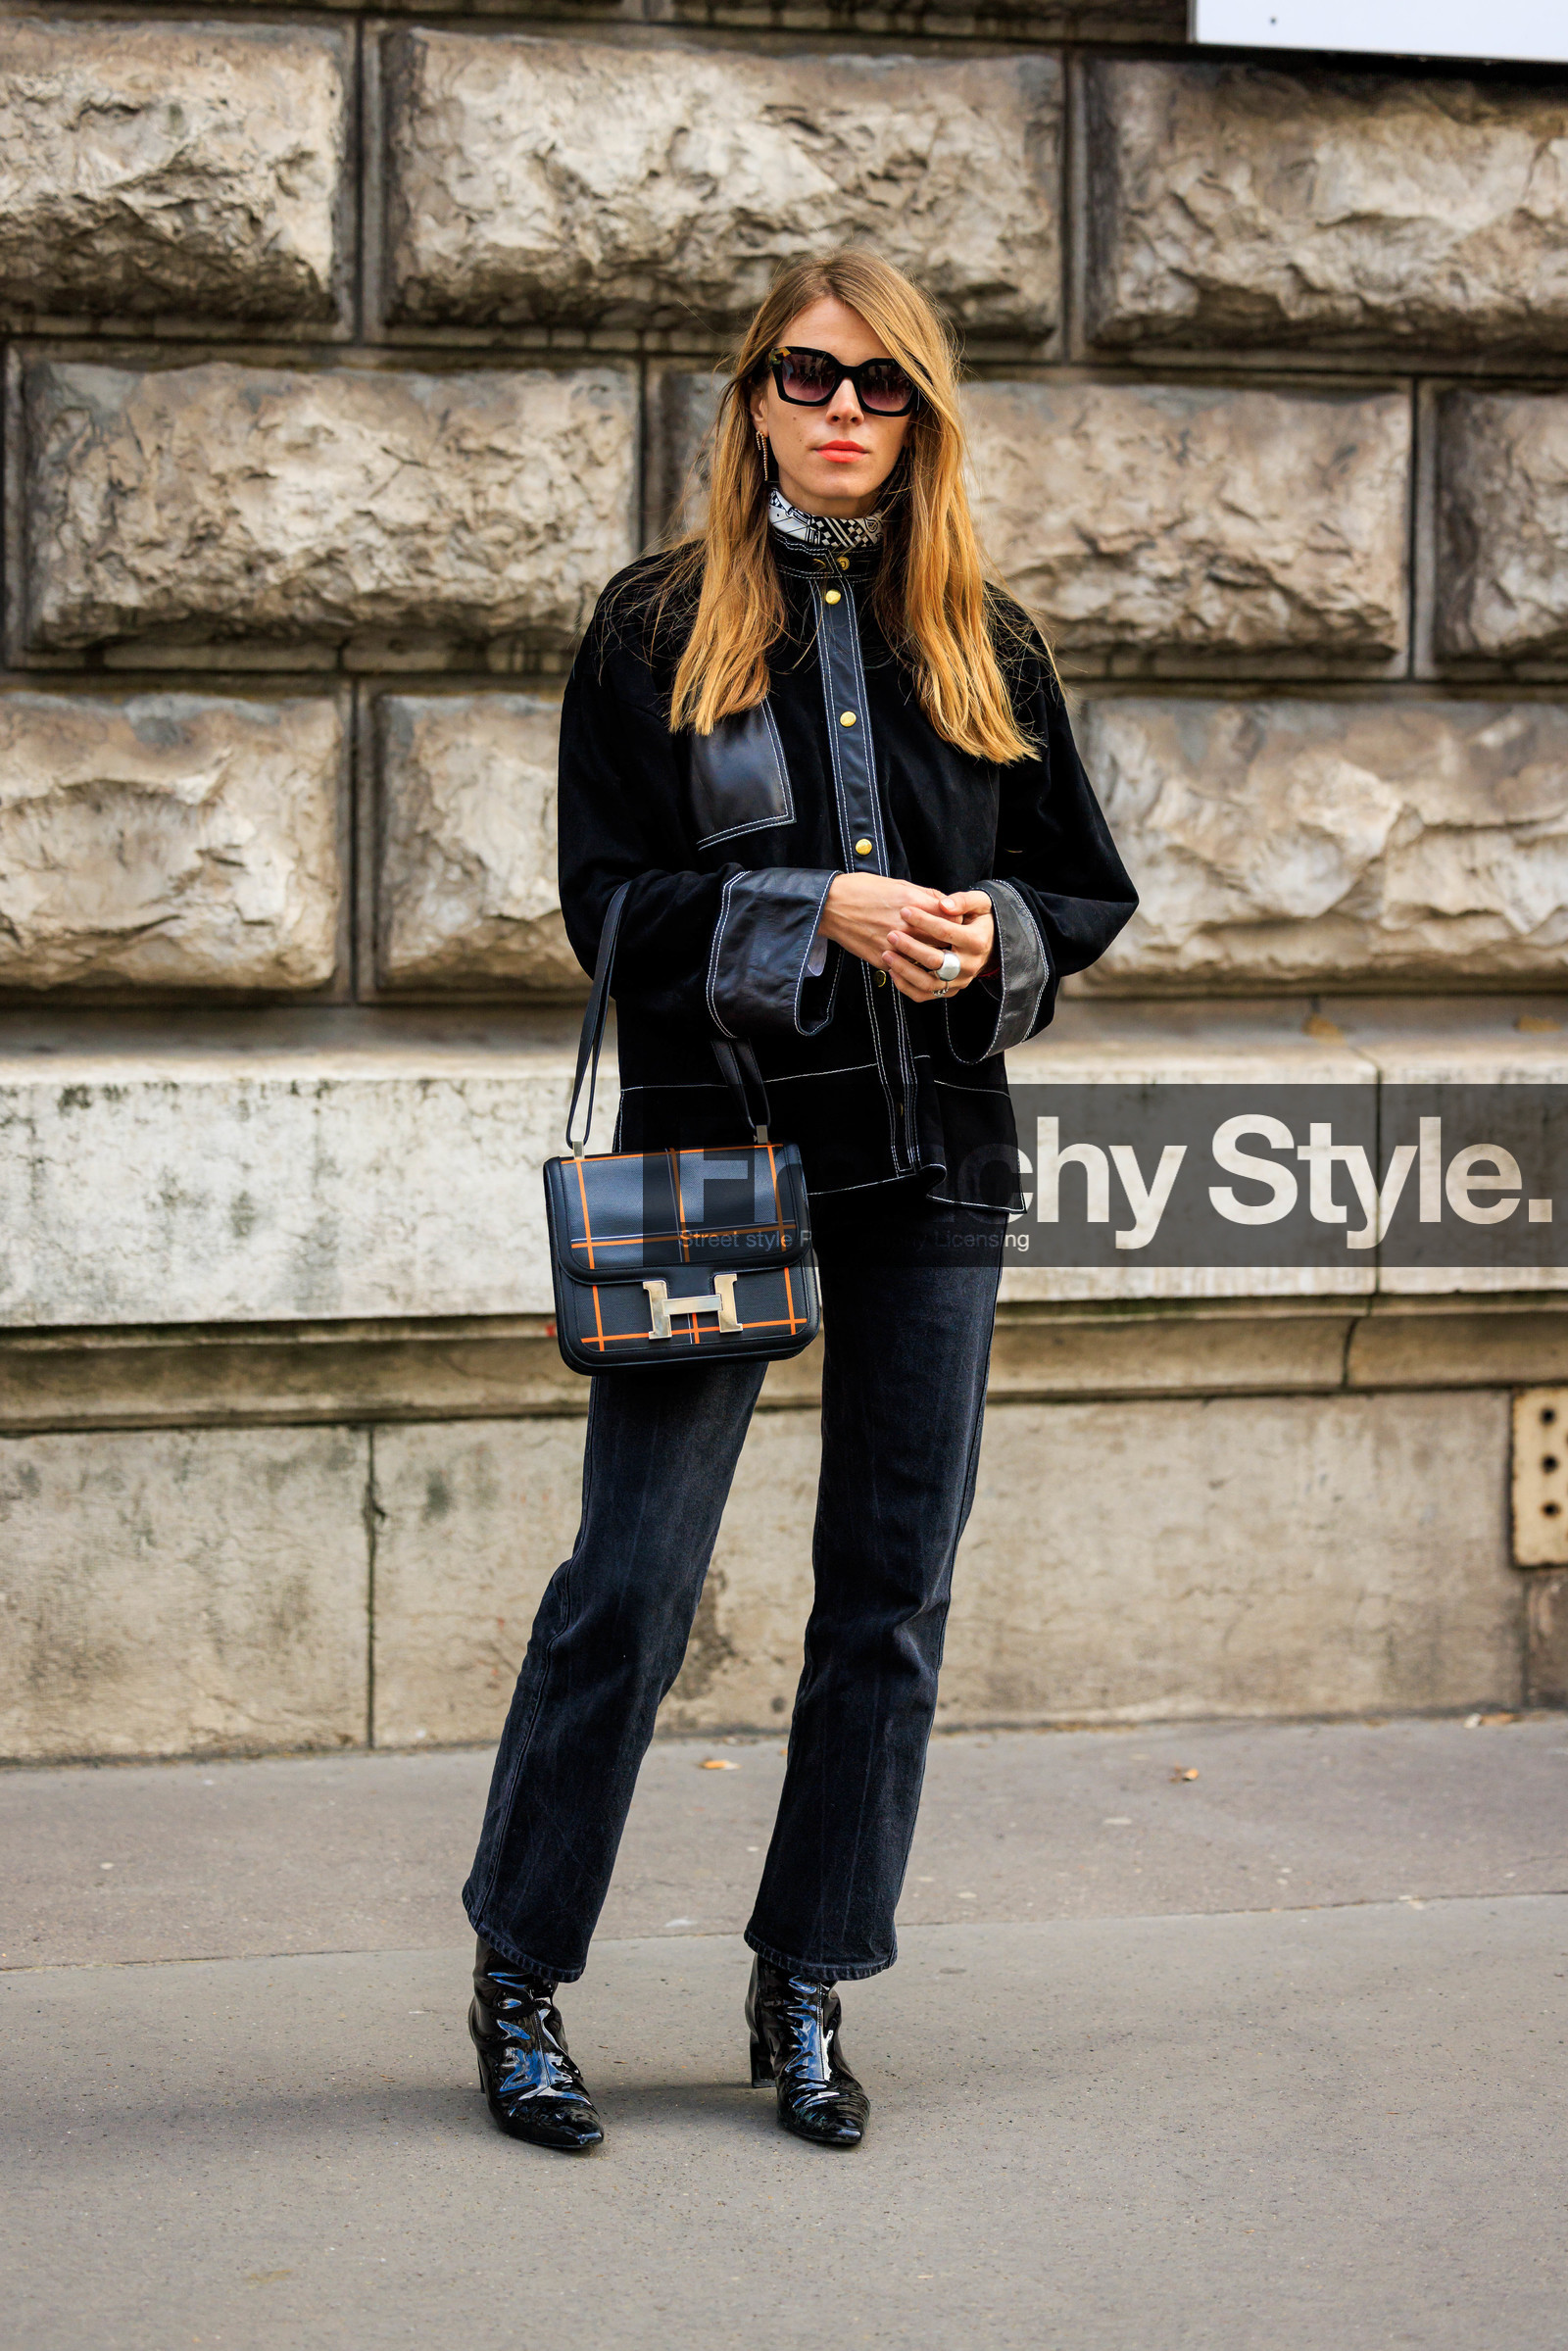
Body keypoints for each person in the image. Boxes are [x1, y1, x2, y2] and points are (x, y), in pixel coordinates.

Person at [463, 248, 1137, 2154]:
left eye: (879, 383)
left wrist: (987, 936)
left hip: (935, 1160)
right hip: (716, 1154)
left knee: (888, 1599)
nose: (842, 410)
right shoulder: (654, 628)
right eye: (806, 376)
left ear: (920, 415)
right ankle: (519, 1975)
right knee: (631, 1583)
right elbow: (603, 908)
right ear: (753, 398)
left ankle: (809, 1980)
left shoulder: (985, 641)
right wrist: (804, 908)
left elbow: (1080, 892)